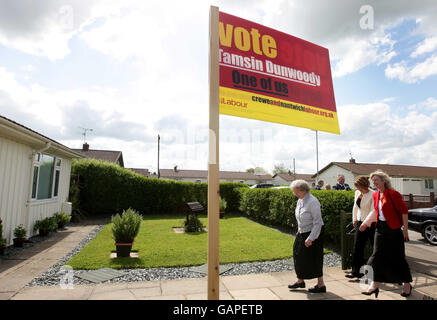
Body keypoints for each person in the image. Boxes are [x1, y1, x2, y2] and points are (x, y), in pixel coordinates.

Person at [359, 170, 413, 298]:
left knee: (398, 257)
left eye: (376, 180)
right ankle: (374, 285)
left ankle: (407, 284)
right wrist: (366, 223)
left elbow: (404, 211)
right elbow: (376, 212)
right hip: (380, 229)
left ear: (384, 181)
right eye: (373, 181)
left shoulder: (393, 194)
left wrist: (405, 229)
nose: (374, 183)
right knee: (377, 256)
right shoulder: (376, 195)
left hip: (394, 229)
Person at [288, 180, 326, 293]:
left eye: (295, 191)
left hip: (314, 233)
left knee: (315, 258)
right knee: (298, 255)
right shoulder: (300, 200)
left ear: (303, 190)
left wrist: (311, 238)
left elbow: (318, 222)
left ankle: (321, 285)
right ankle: (300, 281)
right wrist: (299, 230)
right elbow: (301, 217)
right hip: (302, 232)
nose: (294, 194)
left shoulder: (313, 202)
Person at [345, 176, 376, 279]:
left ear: (364, 185)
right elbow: (355, 207)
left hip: (371, 224)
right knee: (357, 247)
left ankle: (379, 271)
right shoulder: (357, 193)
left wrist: (365, 223)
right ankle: (356, 271)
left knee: (375, 247)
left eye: (359, 187)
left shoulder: (374, 194)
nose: (357, 189)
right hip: (360, 222)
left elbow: (373, 211)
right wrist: (354, 219)